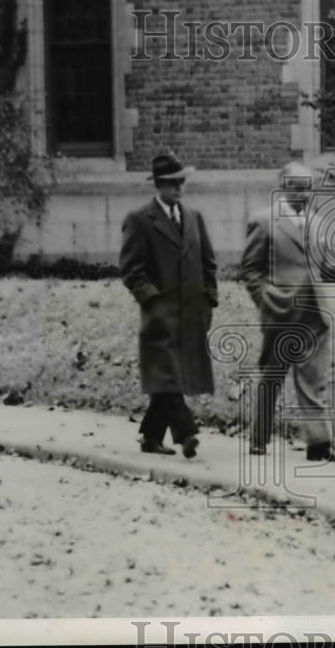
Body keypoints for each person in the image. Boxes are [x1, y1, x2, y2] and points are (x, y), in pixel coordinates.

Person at [241, 161, 335, 462]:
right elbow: (249, 269)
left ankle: (319, 444)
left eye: (309, 188)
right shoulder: (264, 221)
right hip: (281, 314)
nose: (306, 195)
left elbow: (322, 269)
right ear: (284, 187)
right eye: (299, 188)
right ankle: (258, 439)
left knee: (313, 379)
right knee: (272, 376)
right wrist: (266, 301)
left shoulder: (317, 222)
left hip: (315, 312)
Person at [119, 153, 218, 458]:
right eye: (174, 184)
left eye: (182, 183)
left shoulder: (193, 217)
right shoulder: (139, 219)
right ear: (159, 186)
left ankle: (151, 437)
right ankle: (186, 432)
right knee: (169, 375)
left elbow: (208, 262)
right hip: (160, 315)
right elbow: (131, 269)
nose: (180, 189)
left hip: (191, 313)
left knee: (169, 376)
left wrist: (208, 297)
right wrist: (152, 300)